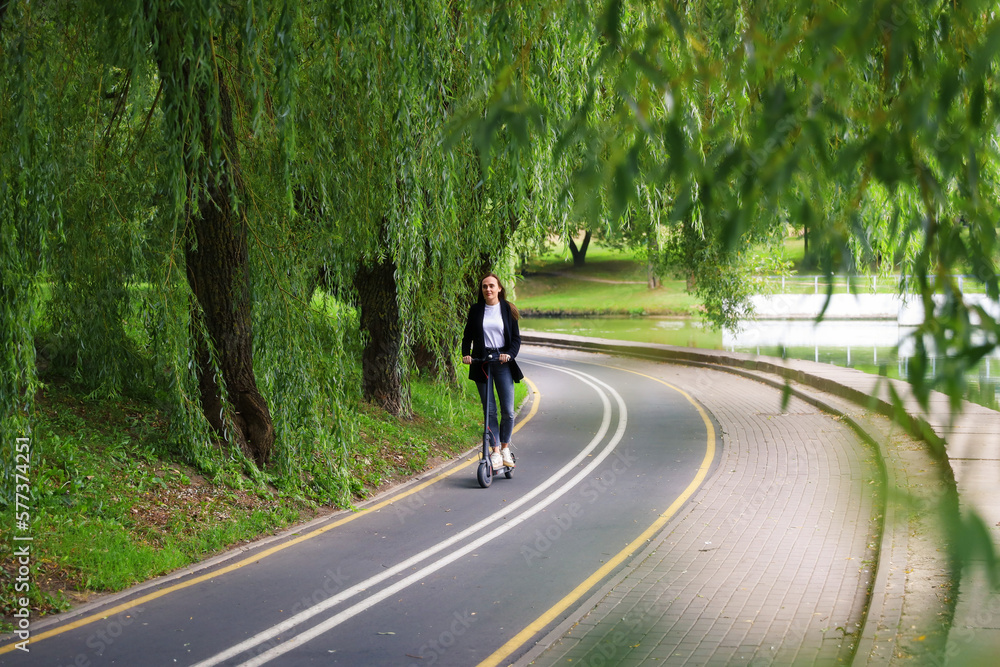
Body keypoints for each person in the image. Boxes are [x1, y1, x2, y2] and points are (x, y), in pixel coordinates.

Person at [461, 272, 523, 469]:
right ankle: (495, 451)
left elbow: (515, 339)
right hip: (482, 362)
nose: (488, 289)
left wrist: (509, 354)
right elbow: (467, 336)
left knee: (508, 411)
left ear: (499, 288)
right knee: (489, 411)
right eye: (484, 286)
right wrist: (466, 354)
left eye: (491, 286)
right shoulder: (476, 310)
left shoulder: (508, 309)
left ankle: (505, 448)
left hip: (503, 362)